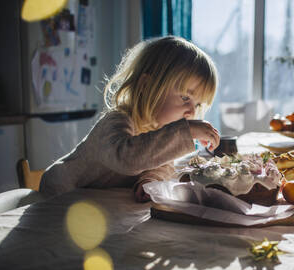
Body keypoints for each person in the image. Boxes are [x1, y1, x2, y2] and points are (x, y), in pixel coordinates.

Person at [40, 36, 220, 202]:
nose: (191, 112)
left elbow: (162, 165)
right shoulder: (117, 120)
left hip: (93, 201)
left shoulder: (159, 131)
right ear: (147, 87)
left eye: (197, 105)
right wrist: (185, 132)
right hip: (59, 194)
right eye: (185, 98)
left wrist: (150, 180)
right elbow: (127, 158)